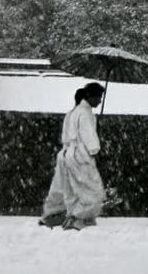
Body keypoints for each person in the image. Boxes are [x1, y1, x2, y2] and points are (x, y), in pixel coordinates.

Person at [38, 82, 107, 230]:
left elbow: (66, 135)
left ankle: (53, 214)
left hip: (65, 153)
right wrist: (95, 149)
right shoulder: (85, 113)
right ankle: (78, 218)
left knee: (64, 188)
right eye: (98, 97)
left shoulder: (72, 112)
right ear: (90, 96)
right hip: (79, 155)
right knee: (92, 190)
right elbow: (89, 137)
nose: (100, 101)